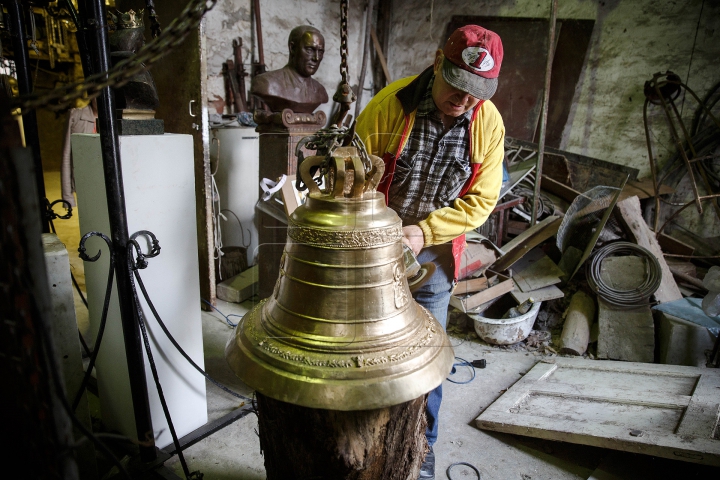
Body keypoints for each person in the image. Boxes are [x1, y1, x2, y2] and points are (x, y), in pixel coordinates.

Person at [356, 25, 505, 479]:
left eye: (475, 93)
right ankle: (363, 444)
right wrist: (381, 232)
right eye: (457, 86)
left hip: (433, 259)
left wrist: (426, 231)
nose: (463, 101)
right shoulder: (389, 106)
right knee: (367, 351)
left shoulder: (488, 123)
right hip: (375, 250)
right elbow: (355, 182)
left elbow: (481, 201)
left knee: (427, 361)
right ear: (439, 61)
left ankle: (422, 450)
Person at [250, 25, 328, 113]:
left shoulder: (320, 91)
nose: (316, 58)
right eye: (309, 50)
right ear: (292, 48)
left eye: (320, 52)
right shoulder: (267, 83)